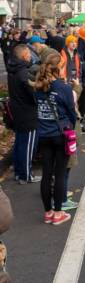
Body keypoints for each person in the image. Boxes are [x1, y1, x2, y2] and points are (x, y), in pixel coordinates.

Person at [34, 53, 77, 225]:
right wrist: (71, 126)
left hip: (43, 134)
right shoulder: (63, 88)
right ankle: (58, 213)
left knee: (46, 174)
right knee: (59, 174)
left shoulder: (37, 87)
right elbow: (71, 112)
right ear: (58, 69)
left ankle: (48, 212)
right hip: (60, 134)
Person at [7, 45, 41, 184]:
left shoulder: (12, 70)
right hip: (27, 113)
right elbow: (31, 93)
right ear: (23, 56)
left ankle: (18, 172)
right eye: (28, 54)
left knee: (20, 143)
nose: (30, 56)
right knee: (28, 145)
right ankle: (26, 175)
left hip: (17, 111)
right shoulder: (23, 73)